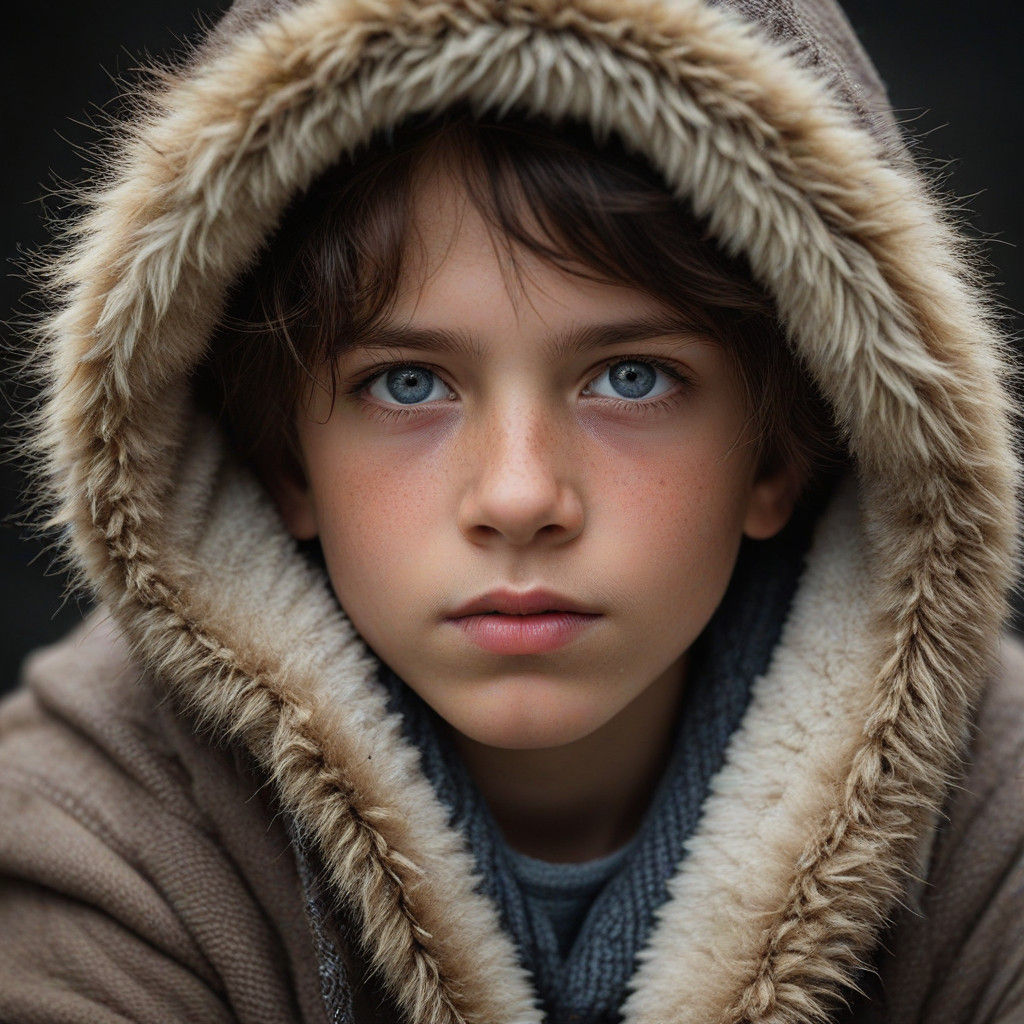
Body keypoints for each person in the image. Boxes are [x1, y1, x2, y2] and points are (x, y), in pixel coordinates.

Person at [1, 0, 1021, 1022]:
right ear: (283, 464)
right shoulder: (80, 836)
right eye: (406, 384)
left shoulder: (997, 822)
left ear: (779, 455)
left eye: (629, 377)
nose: (520, 496)